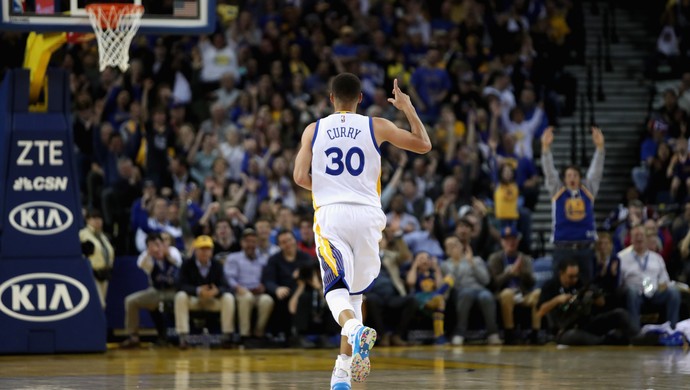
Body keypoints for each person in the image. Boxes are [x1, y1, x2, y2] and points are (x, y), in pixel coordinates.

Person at [293, 74, 431, 390]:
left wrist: (330, 186)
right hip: (368, 215)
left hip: (333, 213)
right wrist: (408, 108)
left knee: (334, 288)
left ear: (330, 99)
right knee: (355, 292)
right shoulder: (376, 125)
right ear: (360, 99)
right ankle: (342, 373)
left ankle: (354, 331)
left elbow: (300, 177)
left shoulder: (314, 130)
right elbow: (423, 144)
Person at [541, 126, 605, 283]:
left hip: (584, 248)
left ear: (580, 178)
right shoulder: (557, 190)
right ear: (564, 179)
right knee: (559, 287)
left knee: (586, 288)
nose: (572, 178)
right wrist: (545, 149)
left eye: (575, 175)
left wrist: (600, 149)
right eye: (568, 175)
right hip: (563, 248)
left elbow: (596, 172)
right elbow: (549, 172)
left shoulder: (588, 190)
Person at [537, 259, 634, 346]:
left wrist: (595, 295)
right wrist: (557, 300)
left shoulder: (581, 283)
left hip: (586, 323)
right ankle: (605, 341)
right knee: (573, 336)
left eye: (576, 276)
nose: (574, 279)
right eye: (570, 277)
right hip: (564, 329)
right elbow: (540, 311)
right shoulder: (550, 286)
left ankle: (636, 338)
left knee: (620, 314)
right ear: (561, 273)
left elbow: (601, 303)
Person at [120, 233, 182, 348]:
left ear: (163, 244)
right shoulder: (148, 256)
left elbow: (178, 261)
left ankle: (182, 338)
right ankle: (133, 336)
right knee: (130, 301)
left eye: (158, 244)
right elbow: (141, 264)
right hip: (157, 291)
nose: (156, 248)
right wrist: (149, 253)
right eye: (152, 245)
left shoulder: (172, 250)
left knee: (181, 298)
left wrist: (165, 253)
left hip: (174, 291)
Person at [175, 235, 236, 349]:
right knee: (180, 296)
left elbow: (227, 287)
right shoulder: (187, 264)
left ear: (212, 251)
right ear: (195, 251)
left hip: (212, 300)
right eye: (201, 249)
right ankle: (183, 336)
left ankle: (227, 336)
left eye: (207, 249)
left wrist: (217, 291)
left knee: (228, 297)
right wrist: (198, 290)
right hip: (194, 299)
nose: (205, 252)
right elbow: (179, 285)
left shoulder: (217, 265)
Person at [619, 225, 681, 333]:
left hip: (655, 293)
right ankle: (636, 333)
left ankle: (671, 331)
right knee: (632, 292)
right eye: (636, 236)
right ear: (631, 239)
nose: (639, 238)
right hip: (635, 294)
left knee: (673, 292)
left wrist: (660, 287)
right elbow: (620, 283)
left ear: (646, 238)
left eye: (641, 235)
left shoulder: (656, 258)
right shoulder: (622, 258)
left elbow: (664, 281)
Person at [487, 225, 541, 345]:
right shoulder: (495, 258)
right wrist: (510, 273)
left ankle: (535, 333)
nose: (510, 242)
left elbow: (531, 282)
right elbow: (494, 283)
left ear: (517, 241)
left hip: (523, 293)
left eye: (513, 239)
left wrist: (521, 272)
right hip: (504, 294)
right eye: (507, 239)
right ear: (502, 241)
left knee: (538, 293)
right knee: (507, 294)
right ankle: (509, 333)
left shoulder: (525, 258)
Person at [79, 209, 115, 308]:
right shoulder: (83, 234)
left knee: (102, 303)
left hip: (104, 274)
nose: (97, 221)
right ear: (87, 220)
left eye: (99, 218)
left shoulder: (103, 236)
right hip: (91, 274)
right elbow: (81, 254)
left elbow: (109, 254)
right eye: (94, 218)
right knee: (99, 304)